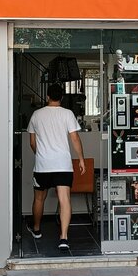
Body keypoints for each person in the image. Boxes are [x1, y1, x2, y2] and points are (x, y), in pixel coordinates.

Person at [27, 82, 85, 252]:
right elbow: (75, 138)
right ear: (62, 97)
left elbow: (32, 143)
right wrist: (81, 159)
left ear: (47, 97)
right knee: (64, 199)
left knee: (39, 198)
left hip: (43, 165)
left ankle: (37, 229)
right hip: (63, 164)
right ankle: (63, 238)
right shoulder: (67, 114)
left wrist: (42, 154)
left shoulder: (36, 115)